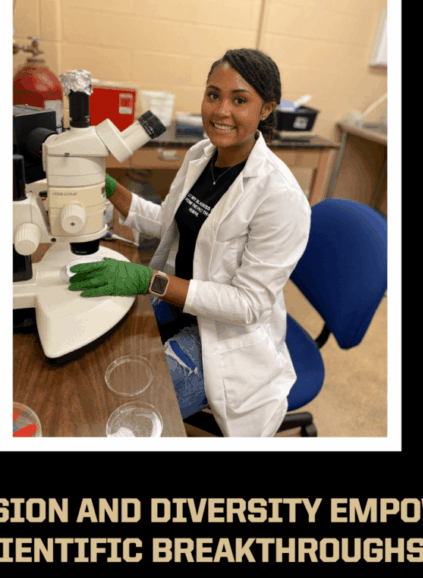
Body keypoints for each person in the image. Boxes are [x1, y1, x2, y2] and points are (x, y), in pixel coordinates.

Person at [69, 48, 311, 437]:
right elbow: (167, 221)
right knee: (101, 352)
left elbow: (248, 305)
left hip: (225, 335)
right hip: (179, 303)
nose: (221, 111)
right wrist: (109, 188)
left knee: (127, 413)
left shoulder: (279, 196)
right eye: (213, 95)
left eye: (240, 100)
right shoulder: (201, 154)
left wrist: (149, 281)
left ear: (267, 109)